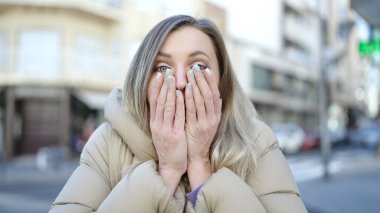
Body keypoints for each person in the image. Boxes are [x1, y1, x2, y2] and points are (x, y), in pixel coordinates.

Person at [50, 15, 307, 212]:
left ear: (222, 83)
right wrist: (168, 171)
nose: (182, 81)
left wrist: (201, 166)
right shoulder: (108, 143)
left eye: (198, 66)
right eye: (162, 68)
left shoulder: (257, 142)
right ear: (143, 80)